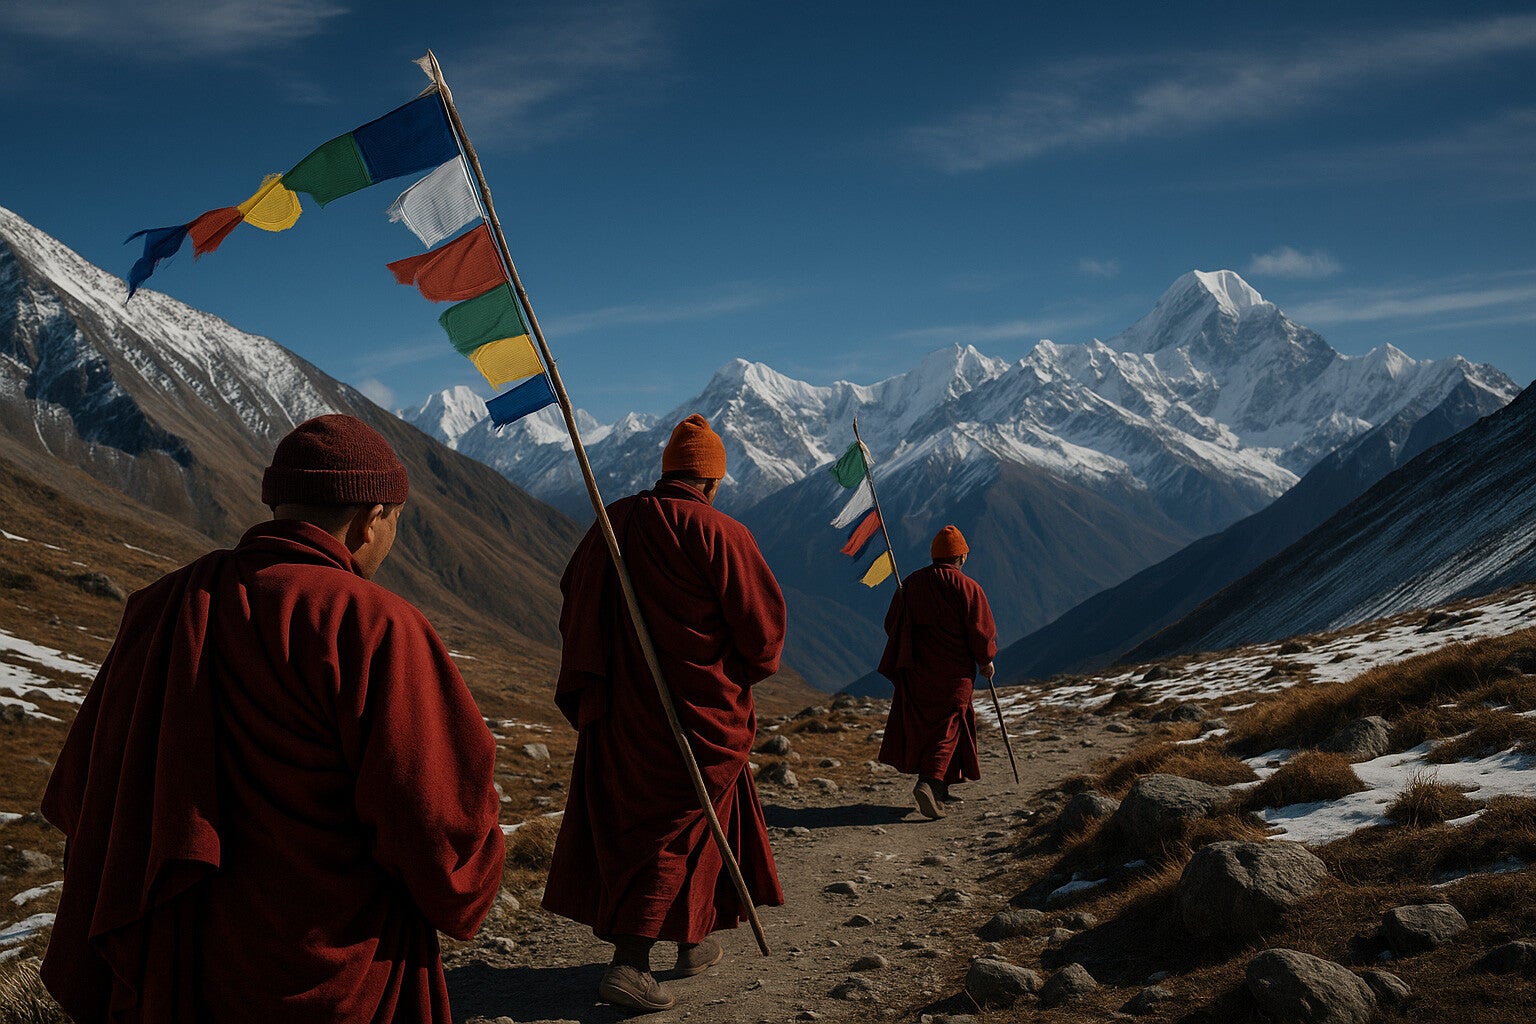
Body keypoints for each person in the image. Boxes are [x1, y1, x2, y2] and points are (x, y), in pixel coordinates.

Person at [40, 414, 506, 1024]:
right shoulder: (371, 622)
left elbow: (85, 786)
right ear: (371, 519)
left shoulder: (165, 606)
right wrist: (472, 872)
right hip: (345, 966)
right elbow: (433, 817)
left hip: (187, 965)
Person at [544, 413, 786, 1013]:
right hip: (701, 713)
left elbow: (575, 598)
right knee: (675, 828)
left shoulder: (615, 522)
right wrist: (724, 669)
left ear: (668, 471)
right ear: (713, 481)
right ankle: (630, 963)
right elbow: (762, 637)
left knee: (652, 823)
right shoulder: (722, 533)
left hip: (623, 712)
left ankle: (692, 939)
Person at [876, 524, 998, 820]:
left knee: (926, 727)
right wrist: (986, 660)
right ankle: (929, 783)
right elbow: (981, 632)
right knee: (950, 727)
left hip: (917, 673)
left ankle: (941, 789)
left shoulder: (911, 584)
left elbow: (892, 624)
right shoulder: (968, 588)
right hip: (954, 675)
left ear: (934, 555)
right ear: (961, 556)